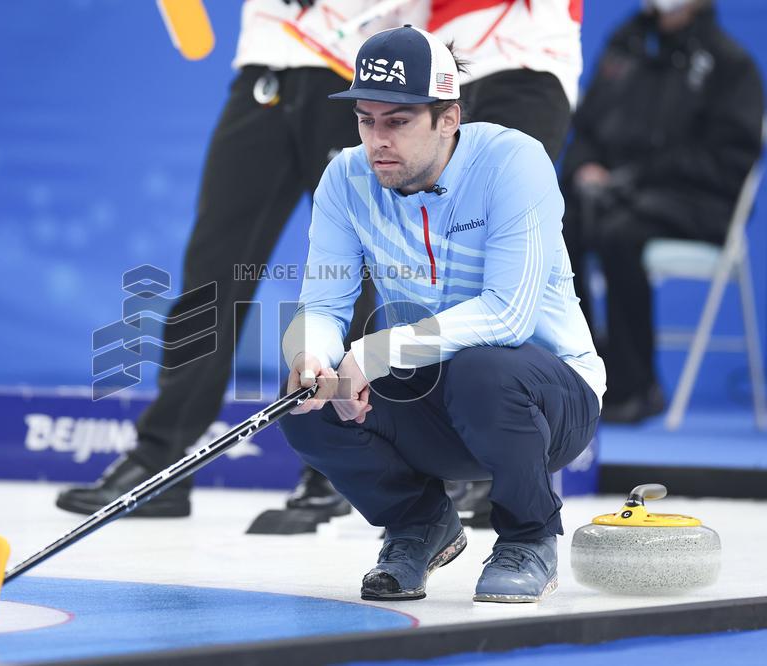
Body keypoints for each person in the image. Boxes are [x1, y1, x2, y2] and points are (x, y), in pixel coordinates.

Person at [279, 25, 605, 602]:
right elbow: (323, 303)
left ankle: (529, 537)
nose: (377, 139)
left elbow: (509, 317)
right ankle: (419, 524)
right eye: (366, 119)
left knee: (485, 368)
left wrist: (374, 352)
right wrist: (311, 360)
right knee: (305, 407)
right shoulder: (345, 178)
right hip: (435, 403)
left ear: (448, 118)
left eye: (398, 121)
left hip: (551, 401)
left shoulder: (514, 161)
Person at [54, 0, 416, 517]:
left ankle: (337, 463)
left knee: (348, 274)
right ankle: (161, 459)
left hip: (357, 74)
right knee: (213, 271)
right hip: (266, 66)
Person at [560, 0, 763, 423]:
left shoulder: (729, 65)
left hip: (696, 203)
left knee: (617, 231)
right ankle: (577, 370)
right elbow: (587, 125)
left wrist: (633, 178)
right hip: (618, 191)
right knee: (560, 220)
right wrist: (585, 169)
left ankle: (634, 385)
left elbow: (727, 162)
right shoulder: (627, 45)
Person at [422, 0, 585, 524]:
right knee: (442, 253)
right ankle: (458, 450)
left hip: (527, 59)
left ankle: (512, 448)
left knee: (502, 242)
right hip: (446, 64)